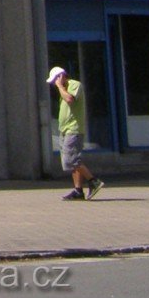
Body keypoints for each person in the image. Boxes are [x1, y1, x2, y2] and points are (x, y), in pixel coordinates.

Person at [50, 65, 103, 200]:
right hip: (65, 130)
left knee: (71, 159)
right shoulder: (64, 89)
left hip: (74, 129)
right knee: (73, 160)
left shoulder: (74, 85)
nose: (53, 84)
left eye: (54, 80)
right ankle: (78, 190)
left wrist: (60, 86)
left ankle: (93, 181)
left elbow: (70, 99)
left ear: (60, 76)